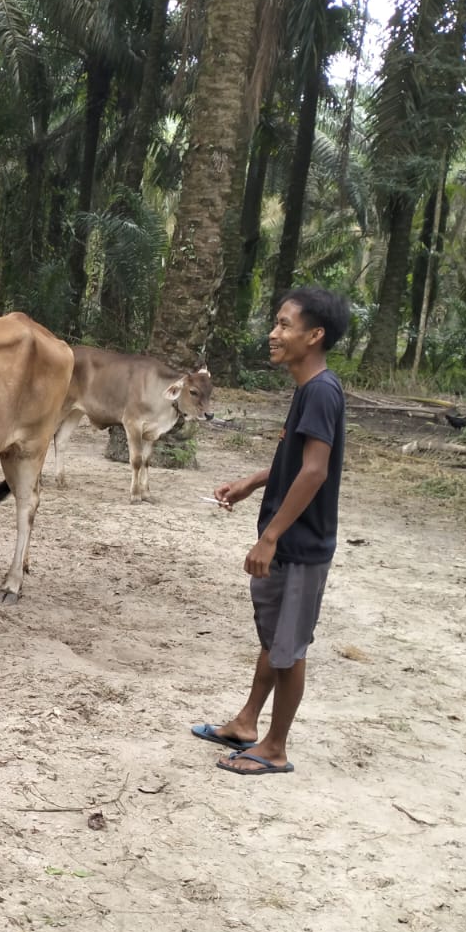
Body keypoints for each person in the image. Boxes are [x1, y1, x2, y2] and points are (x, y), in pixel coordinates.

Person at [190, 286, 349, 776]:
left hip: (300, 546)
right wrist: (251, 482)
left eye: (284, 325)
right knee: (274, 640)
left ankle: (275, 748)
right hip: (291, 539)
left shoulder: (321, 390)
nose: (273, 334)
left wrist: (271, 535)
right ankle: (246, 724)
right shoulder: (308, 388)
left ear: (314, 335)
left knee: (288, 648)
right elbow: (295, 459)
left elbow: (315, 472)